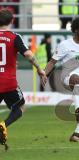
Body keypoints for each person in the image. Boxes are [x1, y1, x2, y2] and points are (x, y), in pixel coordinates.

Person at [44, 16, 79, 142]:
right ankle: (77, 109)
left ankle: (76, 134)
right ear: (75, 30)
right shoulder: (64, 45)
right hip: (67, 76)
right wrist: (44, 73)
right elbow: (52, 62)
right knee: (76, 80)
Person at [0, 9, 46, 146]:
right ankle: (4, 124)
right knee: (20, 107)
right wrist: (39, 69)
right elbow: (29, 55)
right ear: (12, 21)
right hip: (9, 83)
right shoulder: (14, 37)